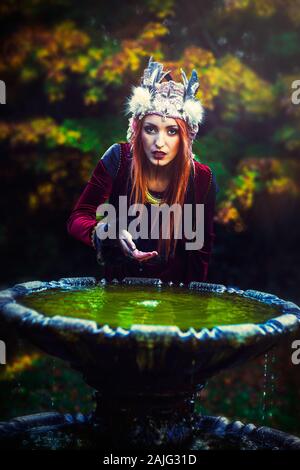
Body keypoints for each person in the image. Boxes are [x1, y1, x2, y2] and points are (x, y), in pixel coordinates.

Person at [67, 57, 218, 284]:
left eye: (171, 132)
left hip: (173, 301)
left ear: (186, 138)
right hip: (119, 296)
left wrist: (193, 310)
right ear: (138, 130)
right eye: (151, 129)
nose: (159, 142)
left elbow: (200, 251)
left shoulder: (201, 178)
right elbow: (78, 218)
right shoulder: (118, 159)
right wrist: (105, 231)